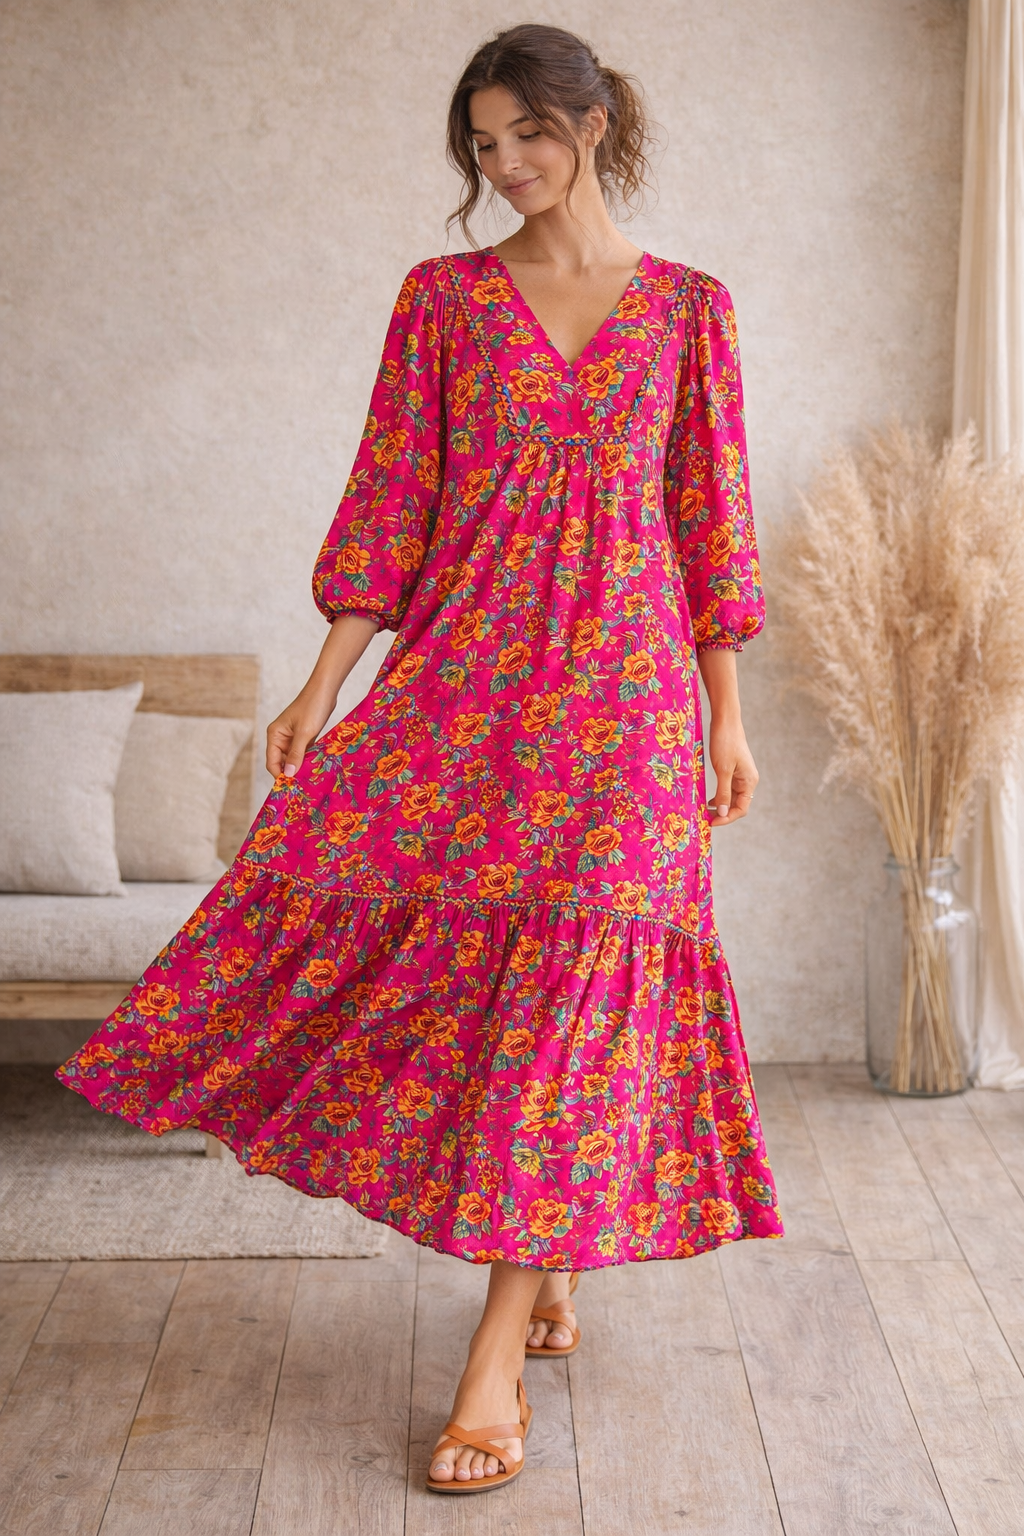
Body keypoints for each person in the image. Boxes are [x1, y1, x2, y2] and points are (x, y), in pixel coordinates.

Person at [58, 22, 783, 1495]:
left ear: (592, 123)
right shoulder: (445, 303)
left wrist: (727, 710)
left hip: (631, 706)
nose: (503, 165)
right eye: (481, 144)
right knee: (445, 977)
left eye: (525, 133)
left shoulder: (690, 311)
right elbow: (390, 498)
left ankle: (491, 1362)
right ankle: (552, 1256)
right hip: (467, 693)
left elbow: (712, 526)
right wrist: (324, 685)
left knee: (578, 998)